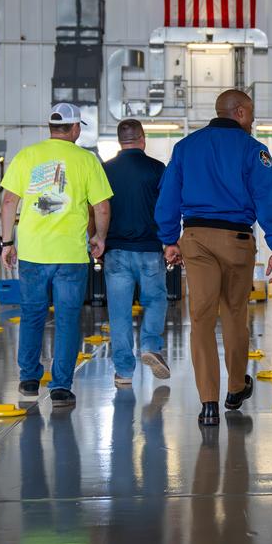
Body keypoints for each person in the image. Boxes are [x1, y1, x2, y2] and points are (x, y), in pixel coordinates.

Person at [155, 89, 272, 427]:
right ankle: (235, 388)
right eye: (252, 114)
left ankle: (208, 404)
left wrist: (170, 239)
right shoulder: (254, 151)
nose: (254, 121)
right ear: (240, 112)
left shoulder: (185, 147)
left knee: (200, 318)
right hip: (237, 239)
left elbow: (167, 196)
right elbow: (266, 200)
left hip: (196, 238)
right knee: (234, 313)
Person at [0, 103, 112, 408]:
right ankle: (61, 387)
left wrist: (7, 242)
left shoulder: (26, 156)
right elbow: (101, 207)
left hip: (34, 254)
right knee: (66, 319)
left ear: (51, 127)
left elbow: (10, 200)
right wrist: (99, 238)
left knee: (32, 315)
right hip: (71, 255)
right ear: (75, 129)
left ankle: (28, 379)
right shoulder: (86, 160)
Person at [101, 119, 170, 386]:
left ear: (120, 140)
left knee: (119, 313)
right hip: (149, 249)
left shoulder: (105, 170)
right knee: (155, 300)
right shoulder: (156, 169)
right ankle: (150, 346)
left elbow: (97, 207)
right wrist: (170, 241)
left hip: (115, 250)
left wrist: (97, 239)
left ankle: (123, 372)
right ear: (142, 138)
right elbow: (165, 208)